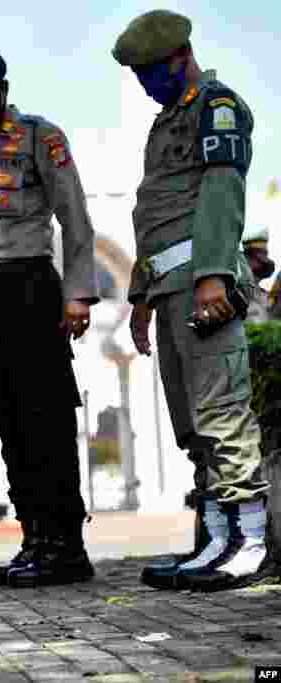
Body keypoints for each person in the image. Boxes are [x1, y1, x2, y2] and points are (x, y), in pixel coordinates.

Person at [113, 10, 271, 592]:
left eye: (153, 71)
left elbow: (221, 195)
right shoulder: (165, 122)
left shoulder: (217, 107)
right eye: (139, 76)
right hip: (171, 288)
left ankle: (248, 541)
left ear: (182, 56)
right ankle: (213, 539)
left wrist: (211, 278)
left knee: (221, 414)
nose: (147, 83)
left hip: (205, 287)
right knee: (191, 423)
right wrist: (141, 295)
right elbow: (155, 214)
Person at [0, 46, 99, 588]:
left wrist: (78, 294)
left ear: (3, 89)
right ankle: (35, 537)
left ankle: (65, 544)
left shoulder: (40, 136)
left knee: (47, 418)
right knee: (9, 419)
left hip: (34, 290)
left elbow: (76, 219)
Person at [241, 227, 273, 323]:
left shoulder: (265, 295)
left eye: (266, 254)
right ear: (246, 257)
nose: (266, 259)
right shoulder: (235, 288)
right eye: (261, 253)